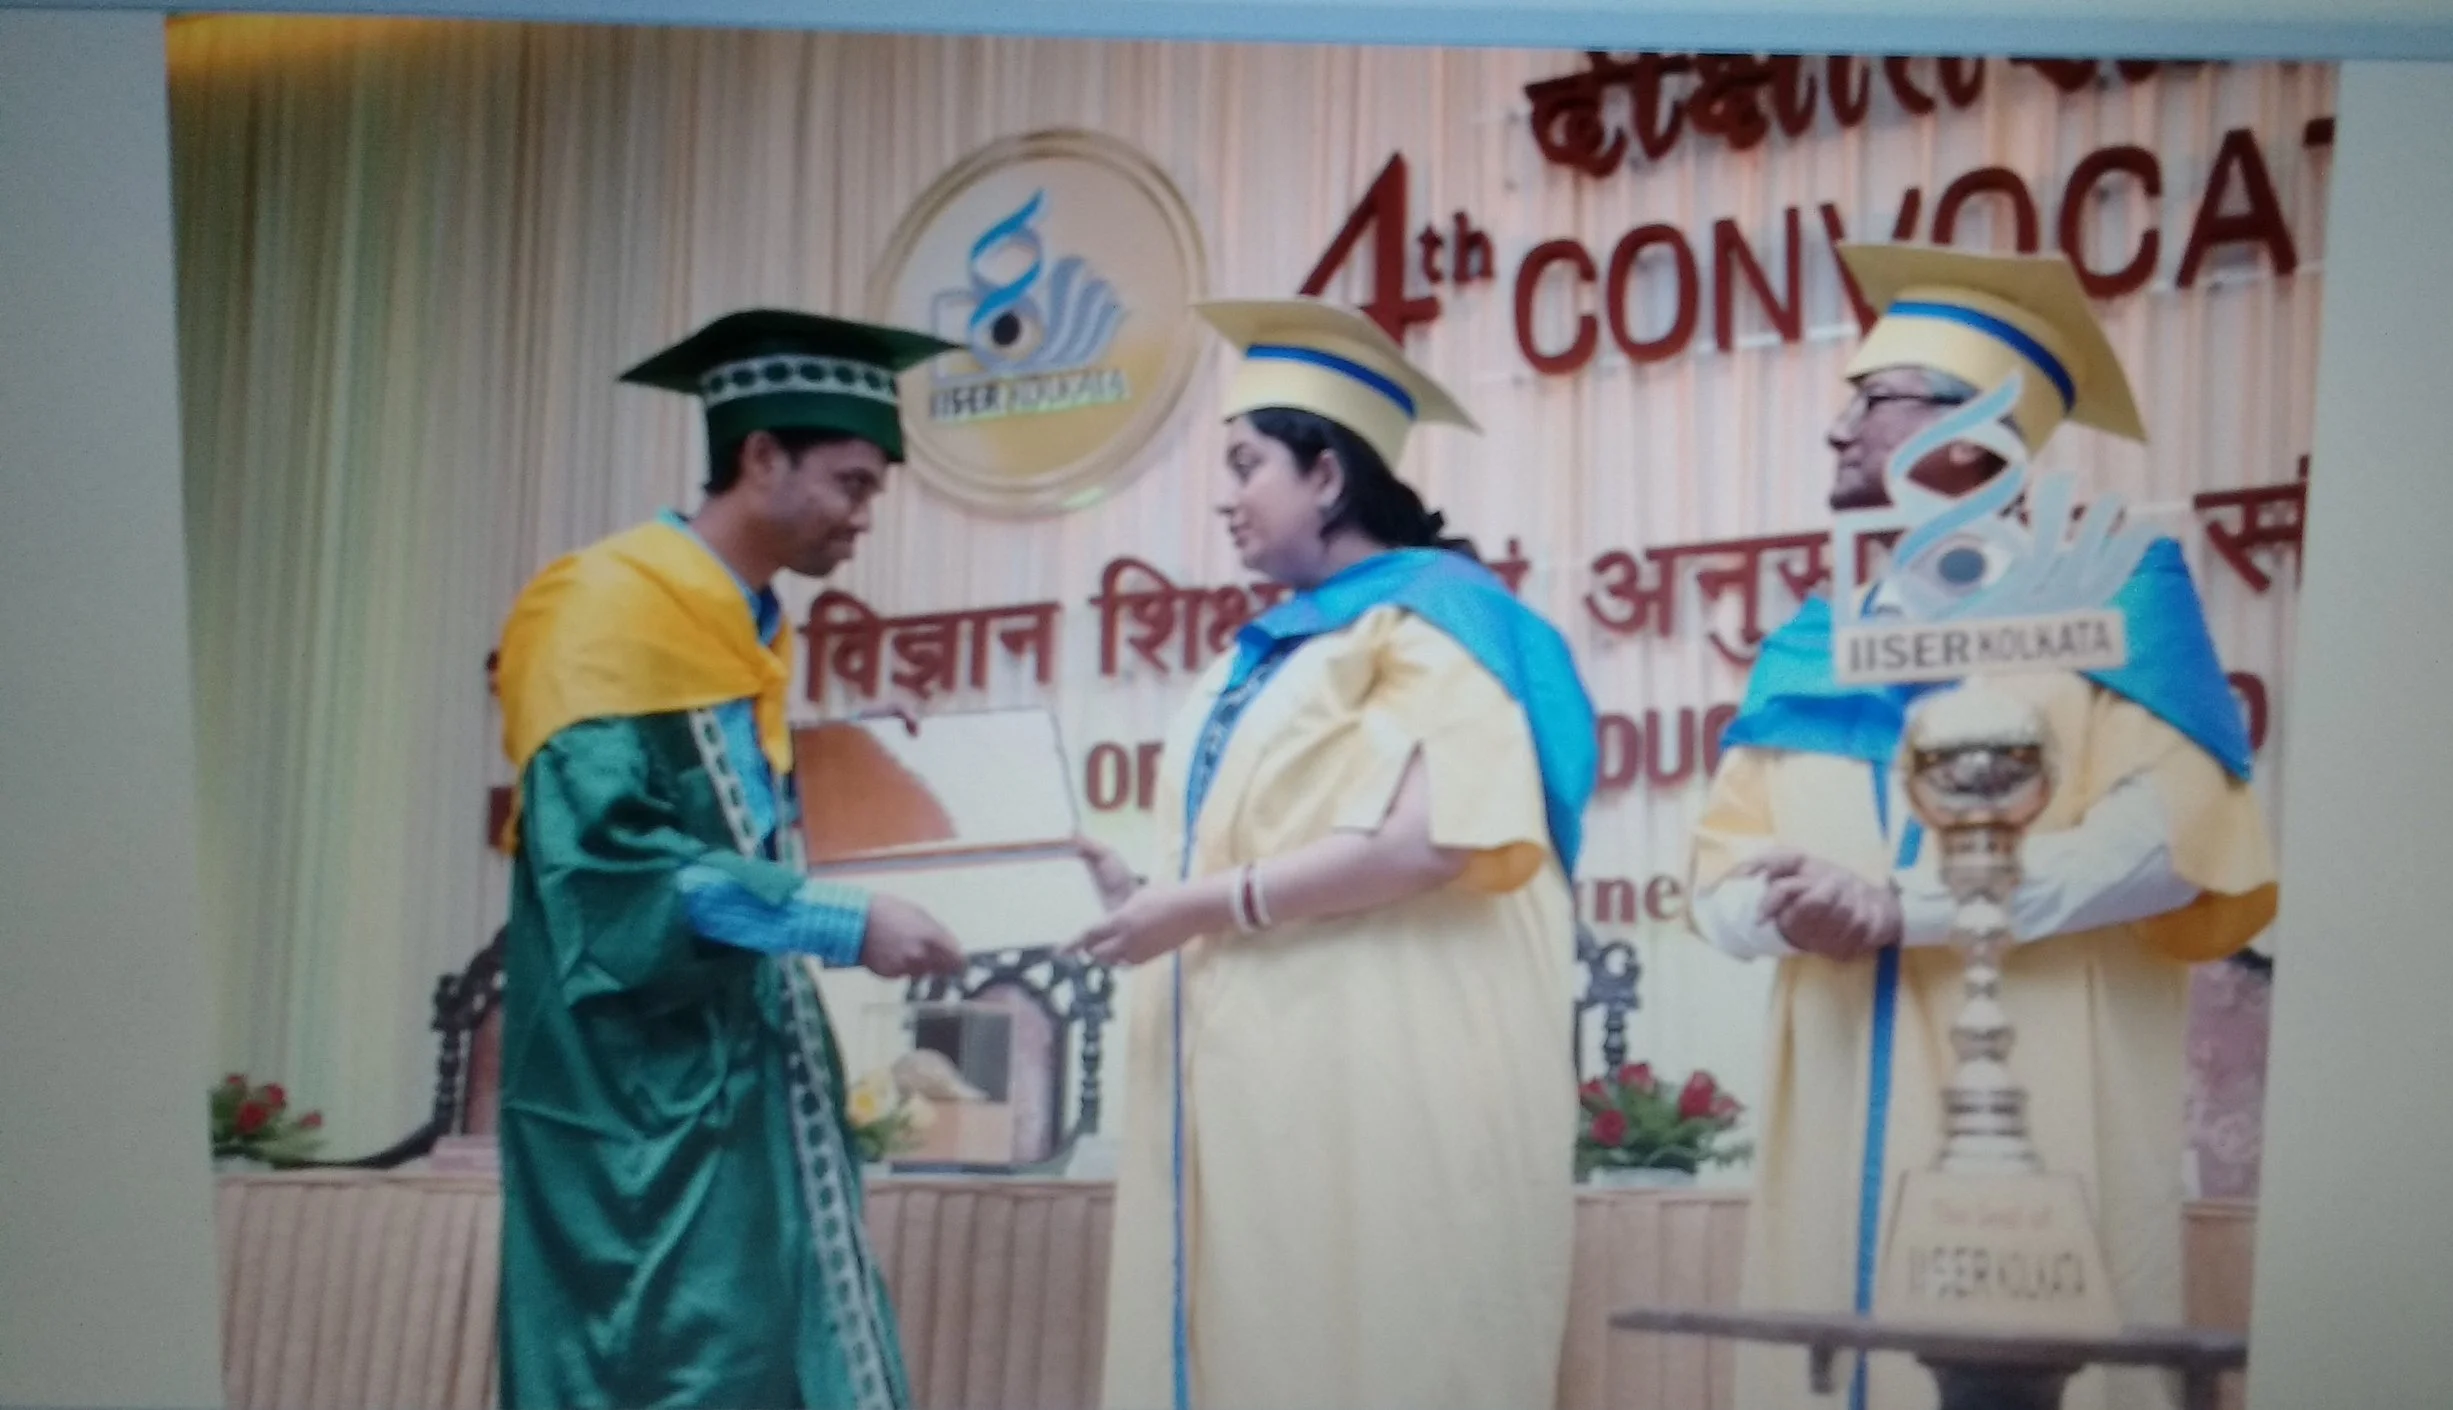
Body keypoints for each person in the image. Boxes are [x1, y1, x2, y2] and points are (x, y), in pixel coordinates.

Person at [1685, 246, 2279, 1410]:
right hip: (1839, 1095)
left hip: (2029, 1103)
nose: (1839, 427)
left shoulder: (2114, 602)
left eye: (1876, 399)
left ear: (1979, 433)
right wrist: (1779, 908)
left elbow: (2164, 846)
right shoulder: (1817, 636)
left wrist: (1903, 908)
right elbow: (1715, 871)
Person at [1070, 296, 1601, 1410]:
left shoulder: (1435, 622)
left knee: (1371, 1347)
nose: (1224, 496)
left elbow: (1431, 839)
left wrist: (1204, 905)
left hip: (1377, 1082)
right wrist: (1155, 896)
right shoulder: (1263, 652)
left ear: (1326, 475)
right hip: (1261, 1084)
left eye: (1245, 462)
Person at [492, 308, 970, 1410]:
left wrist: (837, 757)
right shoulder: (601, 607)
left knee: (770, 1349)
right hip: (630, 1103)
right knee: (668, 1366)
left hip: (737, 1072)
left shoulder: (738, 624)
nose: (864, 518)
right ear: (761, 458)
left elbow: (715, 811)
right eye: (852, 484)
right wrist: (845, 921)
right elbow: (611, 868)